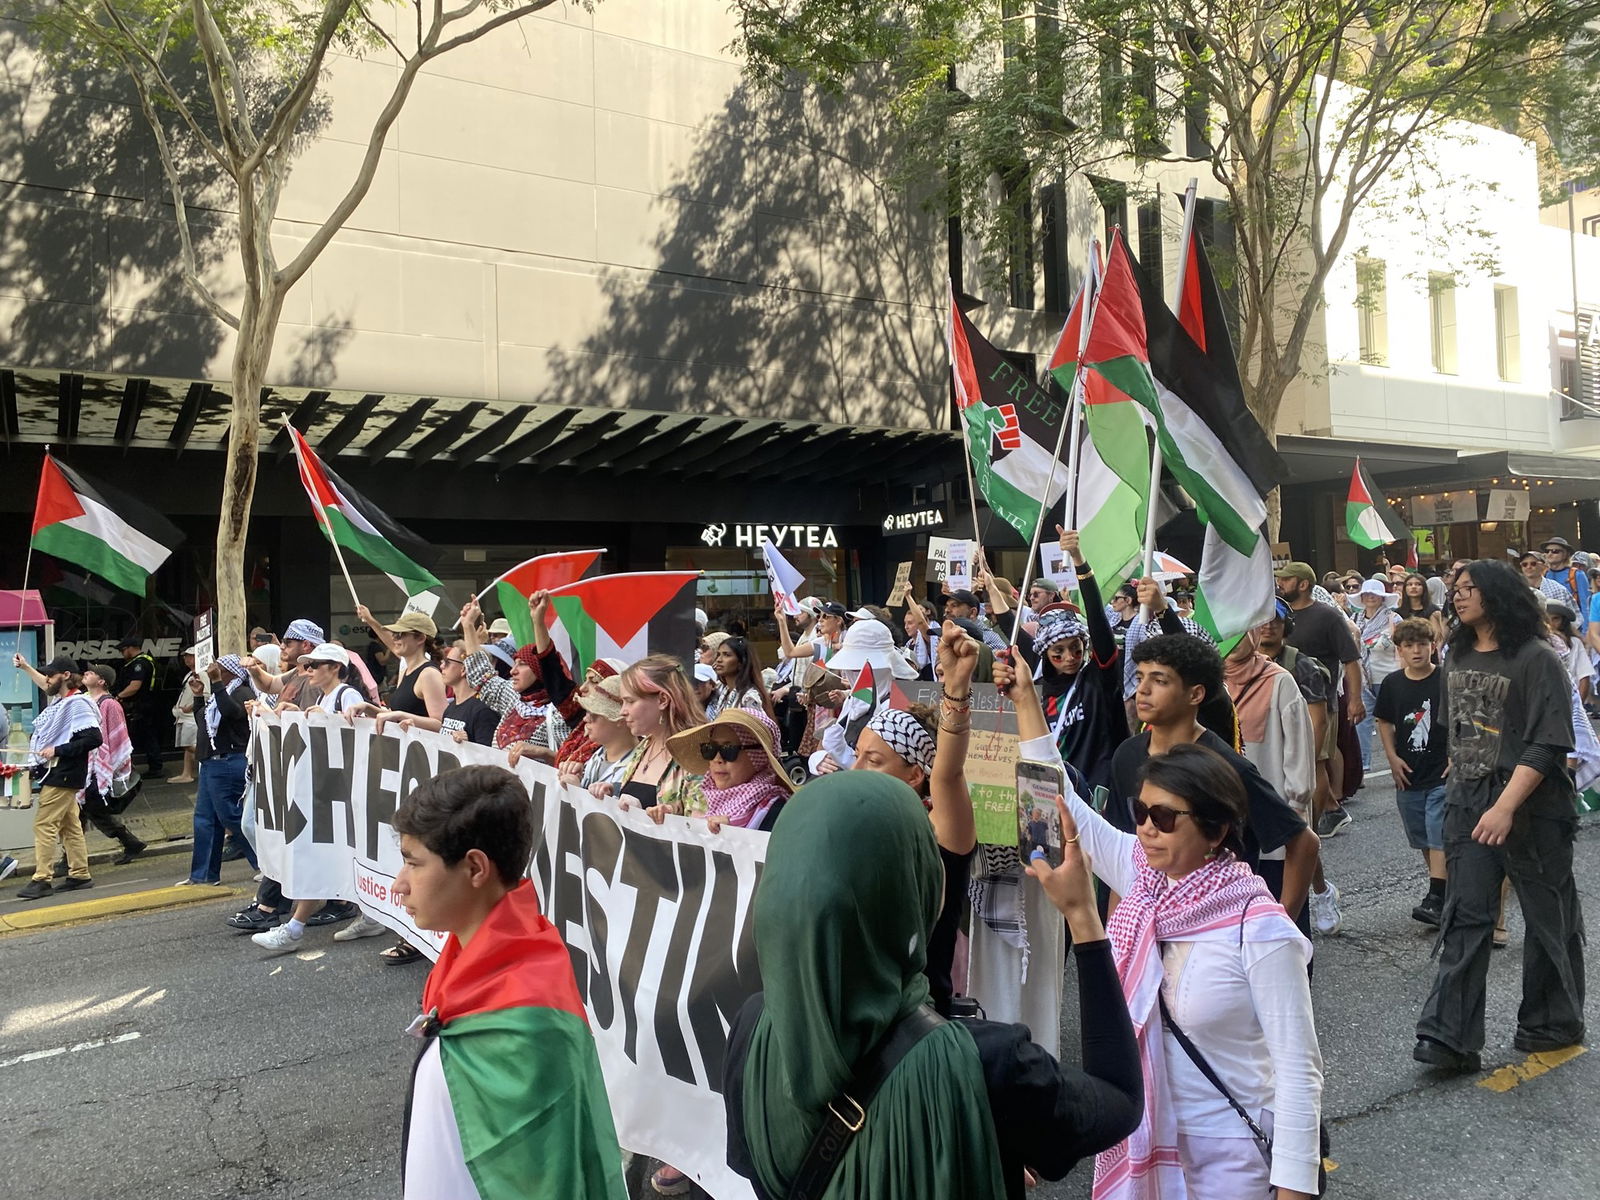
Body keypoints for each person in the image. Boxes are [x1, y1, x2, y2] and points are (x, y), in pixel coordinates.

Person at [722, 769, 1143, 1200]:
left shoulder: (752, 1029)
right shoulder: (989, 1067)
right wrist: (1083, 915)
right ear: (910, 890)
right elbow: (1120, 1099)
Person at [1029, 735, 1322, 1200]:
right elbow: (1066, 802)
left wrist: (1294, 1189)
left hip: (1232, 1157)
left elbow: (1298, 1071)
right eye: (1140, 812)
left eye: (1164, 818)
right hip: (1146, 1141)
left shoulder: (1260, 929)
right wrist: (1026, 705)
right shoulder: (1146, 884)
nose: (1147, 828)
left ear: (1215, 830)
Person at [395, 765, 626, 1200]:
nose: (398, 885)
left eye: (413, 863)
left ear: (475, 867)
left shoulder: (529, 1018)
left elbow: (547, 1182)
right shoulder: (470, 964)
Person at [1415, 559, 1586, 1072]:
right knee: (1465, 915)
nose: (1458, 595)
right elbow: (1459, 728)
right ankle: (1448, 1037)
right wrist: (1460, 773)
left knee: (1548, 916)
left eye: (1470, 588)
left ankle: (1551, 1022)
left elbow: (1549, 742)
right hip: (1468, 802)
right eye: (1457, 588)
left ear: (1499, 595)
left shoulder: (1537, 657)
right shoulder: (1457, 652)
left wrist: (1506, 805)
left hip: (1534, 809)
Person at [1103, 634, 1318, 924]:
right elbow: (1123, 854)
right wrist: (1116, 930)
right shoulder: (1127, 755)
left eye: (1160, 680)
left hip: (1218, 923)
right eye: (1140, 678)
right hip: (1148, 924)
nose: (1142, 690)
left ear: (1195, 694)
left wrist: (1280, 923)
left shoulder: (1225, 767)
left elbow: (1303, 843)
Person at [1036, 527, 1129, 791]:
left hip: (1100, 797)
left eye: (1076, 648)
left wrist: (1078, 559)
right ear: (1045, 655)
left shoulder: (1098, 679)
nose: (1069, 658)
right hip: (1057, 794)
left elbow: (1098, 620)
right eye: (1058, 652)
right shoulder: (1038, 693)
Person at [1275, 561, 1362, 841]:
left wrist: (1355, 699)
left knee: (1316, 762)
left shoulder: (1328, 616)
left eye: (1286, 580)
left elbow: (1351, 659)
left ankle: (1315, 821)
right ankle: (1331, 808)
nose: (1280, 584)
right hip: (1286, 704)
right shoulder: (1282, 615)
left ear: (1303, 584)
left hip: (1320, 703)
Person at [1374, 618, 1449, 927]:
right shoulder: (1392, 683)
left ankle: (1436, 897)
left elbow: (1462, 717)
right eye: (1409, 645)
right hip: (1409, 772)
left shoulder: (1445, 678)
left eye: (1422, 644)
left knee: (1438, 831)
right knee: (1423, 838)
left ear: (1433, 646)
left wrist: (1457, 755)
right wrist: (1391, 758)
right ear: (1400, 650)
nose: (1416, 651)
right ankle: (1444, 892)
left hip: (1441, 771)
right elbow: (1384, 721)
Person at [12, 654, 102, 900]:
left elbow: (94, 738)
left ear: (65, 676)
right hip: (62, 773)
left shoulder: (77, 703)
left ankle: (42, 878)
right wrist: (26, 667)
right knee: (69, 825)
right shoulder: (64, 700)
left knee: (44, 824)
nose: (47, 679)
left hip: (63, 772)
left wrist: (57, 750)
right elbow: (45, 684)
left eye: (51, 675)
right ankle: (80, 874)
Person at [184, 655, 258, 887]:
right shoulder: (219, 696)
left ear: (232, 672)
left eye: (220, 670)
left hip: (228, 760)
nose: (214, 673)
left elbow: (231, 713)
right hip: (211, 762)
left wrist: (216, 683)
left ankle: (266, 864)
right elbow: (204, 722)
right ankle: (204, 874)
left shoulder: (242, 692)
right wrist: (199, 696)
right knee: (205, 819)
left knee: (232, 816)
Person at [64, 664, 146, 867]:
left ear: (101, 681)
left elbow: (118, 737)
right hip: (86, 764)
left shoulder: (109, 704)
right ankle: (129, 842)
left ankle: (69, 860)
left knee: (83, 810)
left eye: (91, 672)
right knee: (84, 810)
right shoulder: (85, 700)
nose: (86, 673)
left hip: (99, 767)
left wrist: (109, 766)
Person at [664, 709, 794, 836]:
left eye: (729, 749)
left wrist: (731, 834)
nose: (717, 759)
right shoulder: (707, 797)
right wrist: (667, 821)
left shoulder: (778, 812)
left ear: (759, 755)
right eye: (710, 748)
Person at [602, 655, 704, 816]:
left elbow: (700, 825)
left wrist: (650, 813)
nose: (622, 711)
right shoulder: (645, 745)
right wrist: (610, 795)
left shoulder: (697, 755)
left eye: (630, 701)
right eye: (623, 702)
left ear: (662, 700)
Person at [359, 606, 448, 730]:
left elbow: (441, 724)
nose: (394, 638)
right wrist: (367, 707)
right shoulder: (406, 670)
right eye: (395, 634)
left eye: (400, 634)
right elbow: (395, 716)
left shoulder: (429, 674)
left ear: (420, 638)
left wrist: (401, 716)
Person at [1352, 578, 1402, 772]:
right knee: (1361, 722)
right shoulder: (1354, 620)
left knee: (1393, 721)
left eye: (1375, 594)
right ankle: (1362, 765)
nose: (1370, 597)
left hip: (1388, 677)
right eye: (1367, 594)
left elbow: (1400, 645)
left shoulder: (1393, 619)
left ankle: (1401, 759)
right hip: (1362, 679)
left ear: (1382, 597)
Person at [560, 674, 637, 796]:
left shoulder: (636, 768)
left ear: (620, 721)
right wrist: (577, 778)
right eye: (587, 712)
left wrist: (576, 791)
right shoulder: (597, 756)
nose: (585, 719)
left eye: (594, 714)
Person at [114, 635, 163, 777]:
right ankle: (153, 766)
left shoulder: (139, 664)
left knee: (147, 737)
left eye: (123, 650)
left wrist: (118, 697)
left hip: (142, 706)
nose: (122, 654)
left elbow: (135, 686)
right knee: (147, 736)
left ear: (130, 648)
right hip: (145, 705)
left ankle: (155, 768)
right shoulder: (145, 661)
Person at [706, 636, 775, 720]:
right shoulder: (723, 691)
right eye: (718, 654)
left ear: (741, 662)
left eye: (727, 655)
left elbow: (755, 727)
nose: (719, 660)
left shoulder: (749, 697)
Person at [1546, 603, 1593, 706]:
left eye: (1555, 619)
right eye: (1546, 619)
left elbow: (1584, 677)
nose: (1551, 624)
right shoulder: (1537, 646)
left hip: (1571, 699)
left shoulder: (1575, 643)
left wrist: (1577, 707)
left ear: (1563, 621)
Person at [1542, 537, 1589, 631]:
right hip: (1549, 626)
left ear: (1565, 554)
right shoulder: (1544, 574)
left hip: (1572, 626)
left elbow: (1585, 605)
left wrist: (1585, 632)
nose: (1550, 554)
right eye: (1547, 551)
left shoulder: (1577, 574)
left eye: (1555, 551)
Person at [171, 647, 200, 783]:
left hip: (191, 715)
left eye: (190, 656)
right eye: (185, 656)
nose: (186, 659)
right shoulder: (189, 674)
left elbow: (206, 694)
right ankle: (186, 773)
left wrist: (191, 707)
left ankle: (211, 758)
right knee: (187, 746)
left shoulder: (202, 673)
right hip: (183, 714)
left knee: (189, 744)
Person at [1395, 572, 1448, 646]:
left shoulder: (1433, 611)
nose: (1413, 587)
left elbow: (1437, 638)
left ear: (1424, 587)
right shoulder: (1398, 612)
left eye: (1418, 584)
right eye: (1410, 584)